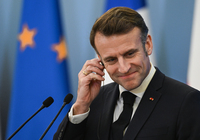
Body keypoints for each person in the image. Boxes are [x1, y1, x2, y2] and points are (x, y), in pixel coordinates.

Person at [53, 7, 200, 140]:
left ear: (147, 45)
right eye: (111, 59)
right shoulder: (93, 101)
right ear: (100, 61)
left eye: (130, 54)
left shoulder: (187, 101)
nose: (123, 68)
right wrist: (81, 106)